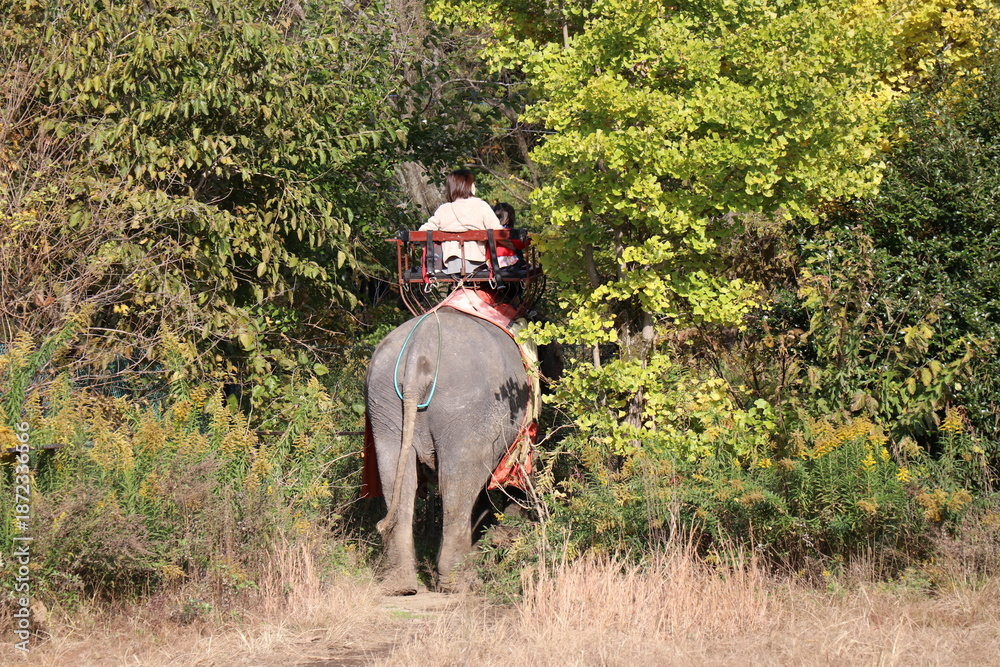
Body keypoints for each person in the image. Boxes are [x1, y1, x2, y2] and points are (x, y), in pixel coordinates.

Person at [419, 169, 503, 275]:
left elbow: (422, 232)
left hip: (451, 262)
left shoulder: (444, 209)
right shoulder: (481, 206)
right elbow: (498, 232)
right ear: (468, 186)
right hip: (478, 262)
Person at [492, 202, 526, 270]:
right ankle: (523, 264)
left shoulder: (490, 229)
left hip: (492, 262)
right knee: (518, 252)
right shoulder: (508, 231)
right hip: (508, 262)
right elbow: (519, 245)